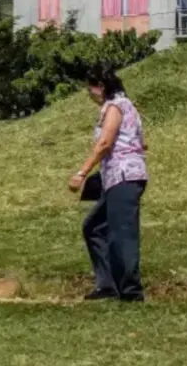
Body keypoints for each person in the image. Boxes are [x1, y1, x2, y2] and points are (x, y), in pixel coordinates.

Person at [68, 67, 148, 302]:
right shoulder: (126, 106)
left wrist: (82, 173)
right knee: (94, 227)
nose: (89, 94)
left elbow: (104, 143)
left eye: (89, 89)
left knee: (122, 235)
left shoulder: (116, 106)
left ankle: (131, 293)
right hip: (116, 177)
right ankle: (108, 285)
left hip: (124, 177)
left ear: (100, 87)